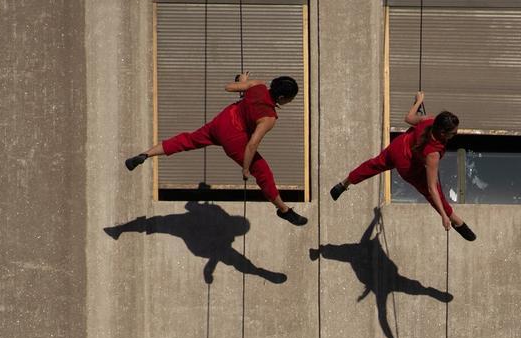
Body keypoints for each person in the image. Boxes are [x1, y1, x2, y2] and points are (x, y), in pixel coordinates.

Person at [124, 74, 307, 226]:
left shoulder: (257, 86)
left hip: (222, 121)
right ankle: (284, 210)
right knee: (262, 171)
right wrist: (245, 168)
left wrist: (243, 83)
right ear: (282, 98)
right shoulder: (269, 117)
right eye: (291, 99)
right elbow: (252, 144)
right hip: (235, 139)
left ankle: (146, 154)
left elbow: (228, 87)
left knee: (188, 140)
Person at [328, 92, 476, 241]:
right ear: (443, 133)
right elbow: (431, 188)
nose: (456, 134)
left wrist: (418, 101)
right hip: (408, 166)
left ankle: (343, 183)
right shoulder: (433, 154)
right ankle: (455, 219)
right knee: (434, 190)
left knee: (373, 165)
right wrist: (444, 216)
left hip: (398, 146)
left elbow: (408, 118)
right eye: (454, 133)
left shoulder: (429, 120)